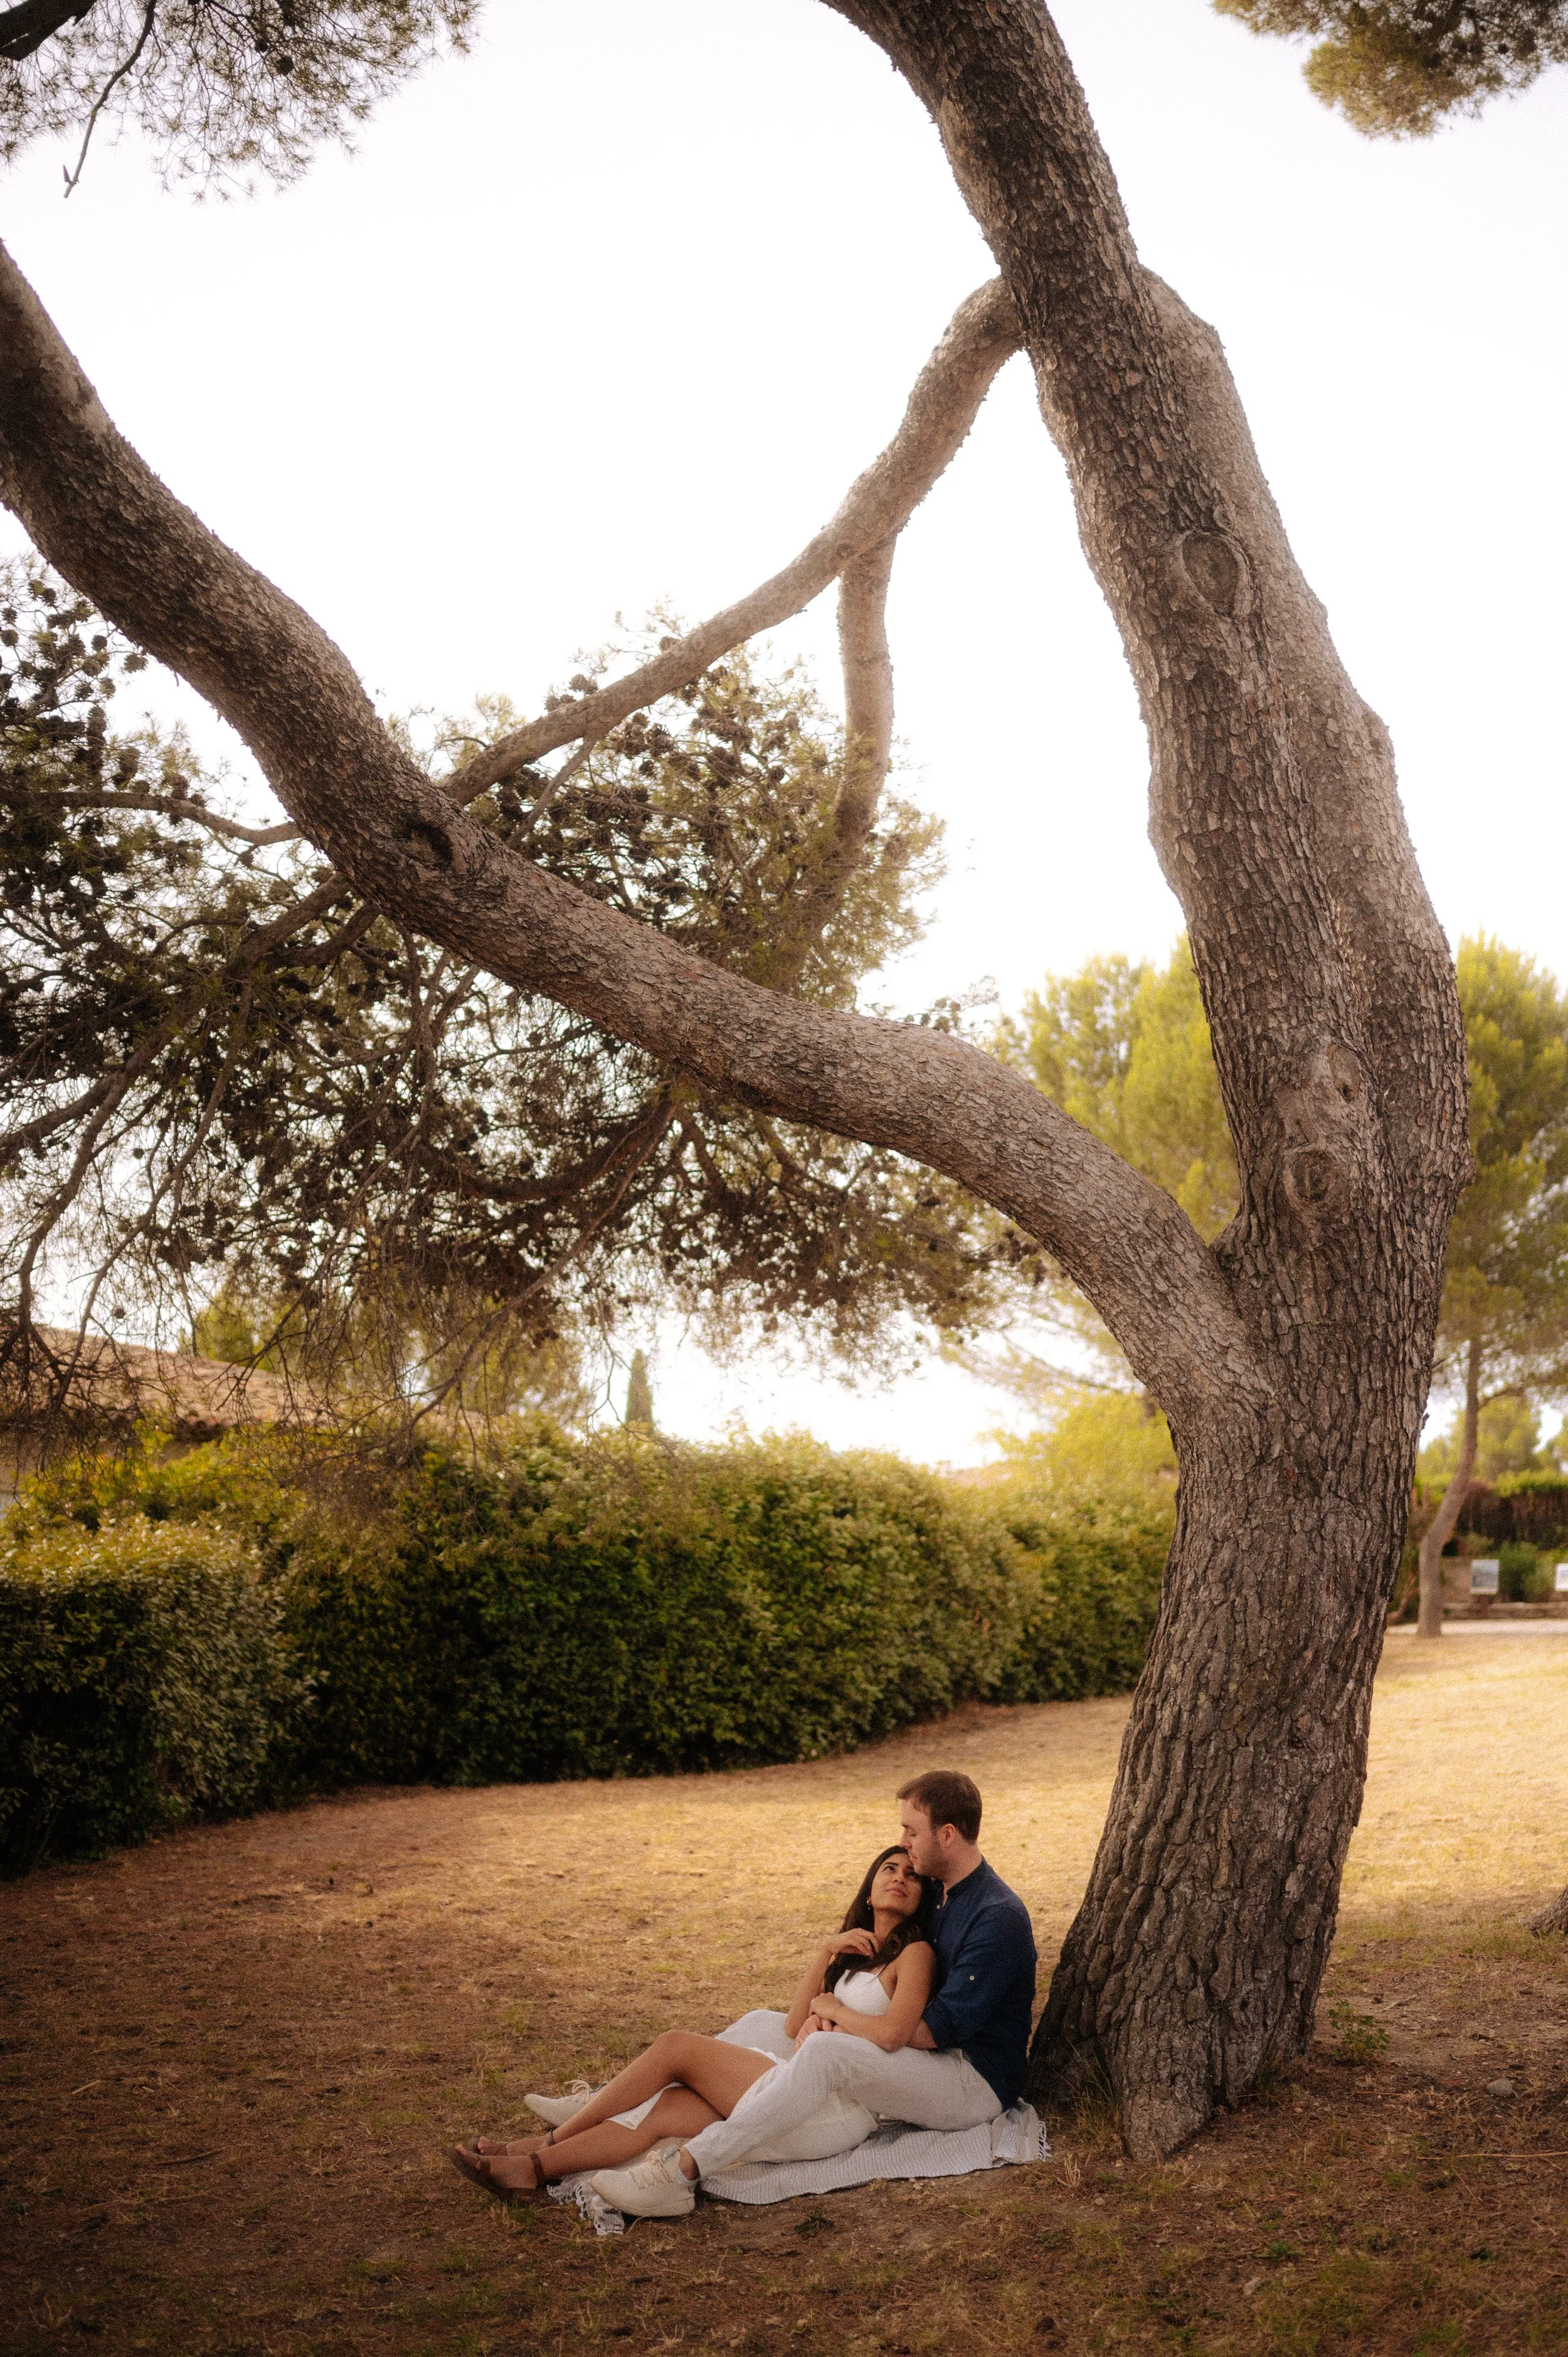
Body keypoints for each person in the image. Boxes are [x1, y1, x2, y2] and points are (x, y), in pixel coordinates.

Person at [591, 1768, 1037, 2219]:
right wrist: (834, 1997)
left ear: (946, 1835)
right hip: (933, 2058)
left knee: (826, 2050)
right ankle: (621, 2101)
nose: (903, 1841)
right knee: (768, 2022)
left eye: (911, 1830)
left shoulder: (995, 1916)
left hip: (970, 2081)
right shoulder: (945, 1891)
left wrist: (835, 2013)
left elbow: (922, 2034)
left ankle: (684, 2172)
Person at [448, 1846, 940, 2200]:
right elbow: (794, 2027)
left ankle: (546, 2142)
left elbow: (895, 2035)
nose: (899, 1877)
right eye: (888, 1869)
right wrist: (826, 1952)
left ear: (922, 1897)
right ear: (870, 1890)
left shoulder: (915, 1954)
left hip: (835, 2109)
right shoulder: (854, 1953)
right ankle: (531, 2169)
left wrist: (836, 2013)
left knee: (676, 2047)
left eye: (912, 1875)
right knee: (664, 2110)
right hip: (800, 2087)